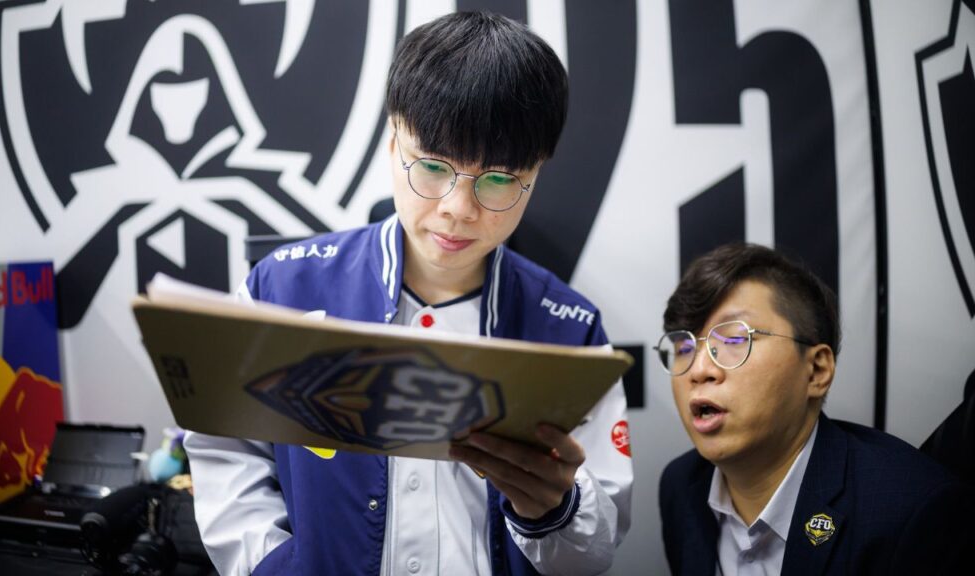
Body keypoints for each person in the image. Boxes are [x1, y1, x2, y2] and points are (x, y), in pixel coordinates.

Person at [184, 12, 633, 576]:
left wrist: (556, 511)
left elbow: (593, 552)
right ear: (393, 138)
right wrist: (276, 564)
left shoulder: (569, 329)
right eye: (433, 167)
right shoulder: (282, 288)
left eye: (498, 180)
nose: (458, 209)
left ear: (536, 173)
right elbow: (226, 451)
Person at [656, 243, 974, 575]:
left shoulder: (912, 511)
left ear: (817, 371)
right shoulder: (681, 486)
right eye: (684, 347)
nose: (698, 370)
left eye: (735, 340)